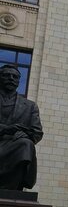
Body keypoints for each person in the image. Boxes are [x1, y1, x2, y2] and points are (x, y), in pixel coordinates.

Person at [0, 63, 43, 191]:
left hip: (14, 144)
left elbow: (37, 132)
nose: (11, 78)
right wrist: (6, 129)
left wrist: (27, 134)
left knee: (26, 144)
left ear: (19, 81)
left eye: (15, 77)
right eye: (6, 75)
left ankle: (12, 190)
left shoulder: (30, 106)